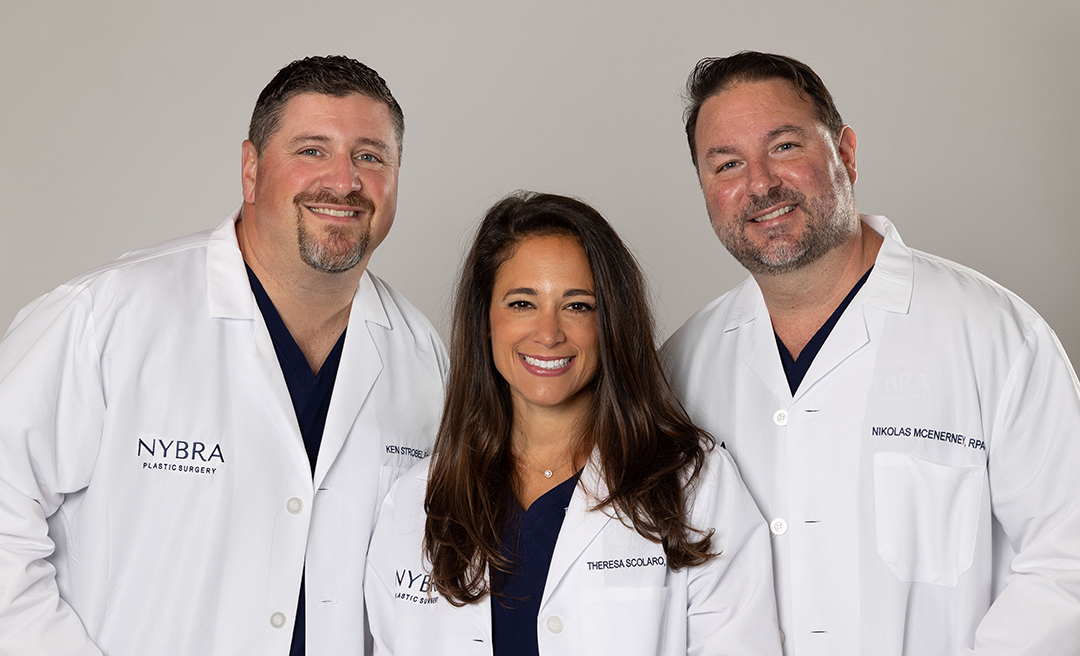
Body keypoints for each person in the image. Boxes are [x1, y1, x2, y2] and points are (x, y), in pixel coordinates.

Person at [0, 56, 446, 655]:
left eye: (370, 156)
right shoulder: (104, 318)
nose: (344, 181)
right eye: (312, 150)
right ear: (252, 169)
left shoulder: (422, 357)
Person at [660, 50, 1080, 655]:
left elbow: (1065, 560)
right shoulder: (680, 369)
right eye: (727, 164)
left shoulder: (995, 334)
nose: (759, 184)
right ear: (705, 189)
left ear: (846, 154)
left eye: (784, 147)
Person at [364, 191, 781, 655]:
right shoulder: (416, 500)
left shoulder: (695, 487)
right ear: (485, 319)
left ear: (611, 323)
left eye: (578, 305)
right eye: (522, 303)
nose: (548, 333)